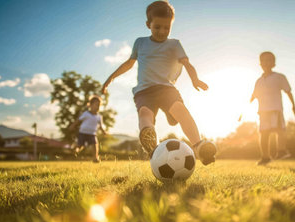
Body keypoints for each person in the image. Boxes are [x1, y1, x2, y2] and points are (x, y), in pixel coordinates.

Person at [102, 1, 216, 165]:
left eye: (167, 28)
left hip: (166, 89)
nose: (162, 31)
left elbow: (186, 63)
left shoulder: (174, 44)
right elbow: (129, 63)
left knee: (180, 110)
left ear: (171, 26)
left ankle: (198, 147)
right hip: (144, 91)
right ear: (148, 24)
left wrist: (195, 79)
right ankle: (153, 149)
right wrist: (111, 78)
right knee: (144, 114)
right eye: (157, 27)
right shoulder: (140, 43)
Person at [250, 52, 295, 165]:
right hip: (262, 111)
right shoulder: (259, 81)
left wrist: (293, 106)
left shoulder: (279, 77)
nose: (266, 63)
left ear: (274, 63)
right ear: (260, 63)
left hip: (275, 109)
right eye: (264, 60)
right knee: (263, 133)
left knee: (279, 130)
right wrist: (242, 111)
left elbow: (288, 92)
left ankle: (281, 150)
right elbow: (253, 96)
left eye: (269, 60)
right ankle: (265, 157)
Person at [69, 95, 107, 163]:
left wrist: (104, 131)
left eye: (99, 105)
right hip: (83, 133)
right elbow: (78, 120)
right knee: (80, 145)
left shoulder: (99, 117)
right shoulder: (86, 113)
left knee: (95, 145)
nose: (98, 107)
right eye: (96, 105)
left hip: (92, 134)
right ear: (91, 105)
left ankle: (95, 158)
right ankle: (74, 149)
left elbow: (100, 126)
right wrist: (73, 125)